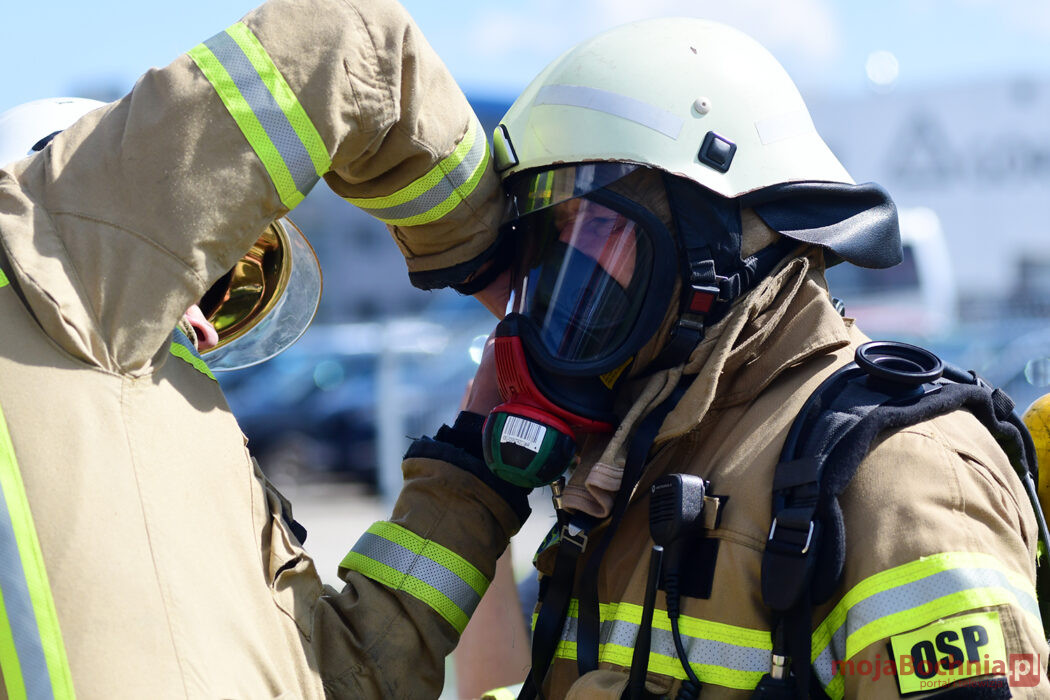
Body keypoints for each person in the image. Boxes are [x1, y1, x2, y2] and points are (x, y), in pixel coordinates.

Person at [444, 17, 1049, 699]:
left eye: (597, 228)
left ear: (717, 243)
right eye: (552, 242)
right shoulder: (640, 463)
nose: (569, 270)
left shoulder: (902, 476)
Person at [0, 0, 529, 697]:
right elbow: (351, 43)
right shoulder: (56, 257)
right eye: (187, 276)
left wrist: (476, 472)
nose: (208, 329)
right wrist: (505, 279)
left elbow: (344, 680)